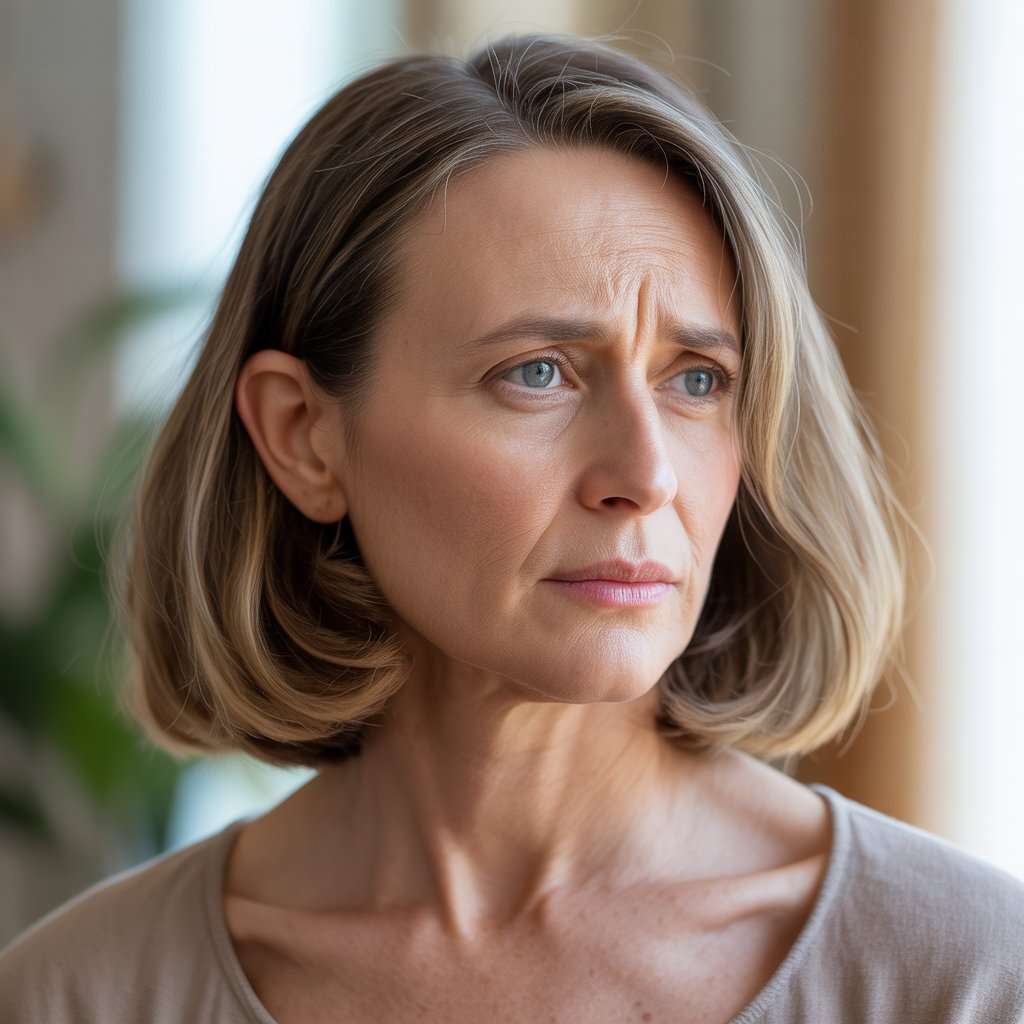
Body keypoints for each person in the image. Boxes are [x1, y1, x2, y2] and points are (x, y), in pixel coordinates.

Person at [1, 33, 1022, 1024]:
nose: (645, 474)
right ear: (304, 436)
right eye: (537, 373)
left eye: (696, 380)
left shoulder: (969, 978)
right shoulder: (78, 995)